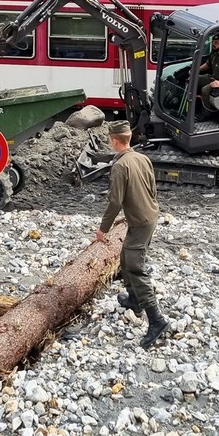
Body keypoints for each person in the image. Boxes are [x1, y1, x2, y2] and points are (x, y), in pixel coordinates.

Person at [95, 120, 169, 349]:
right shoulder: (142, 158)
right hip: (149, 217)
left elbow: (115, 200)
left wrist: (103, 228)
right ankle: (134, 300)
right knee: (126, 259)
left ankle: (156, 320)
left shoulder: (120, 166)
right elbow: (152, 188)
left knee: (136, 268)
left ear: (115, 141)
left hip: (140, 221)